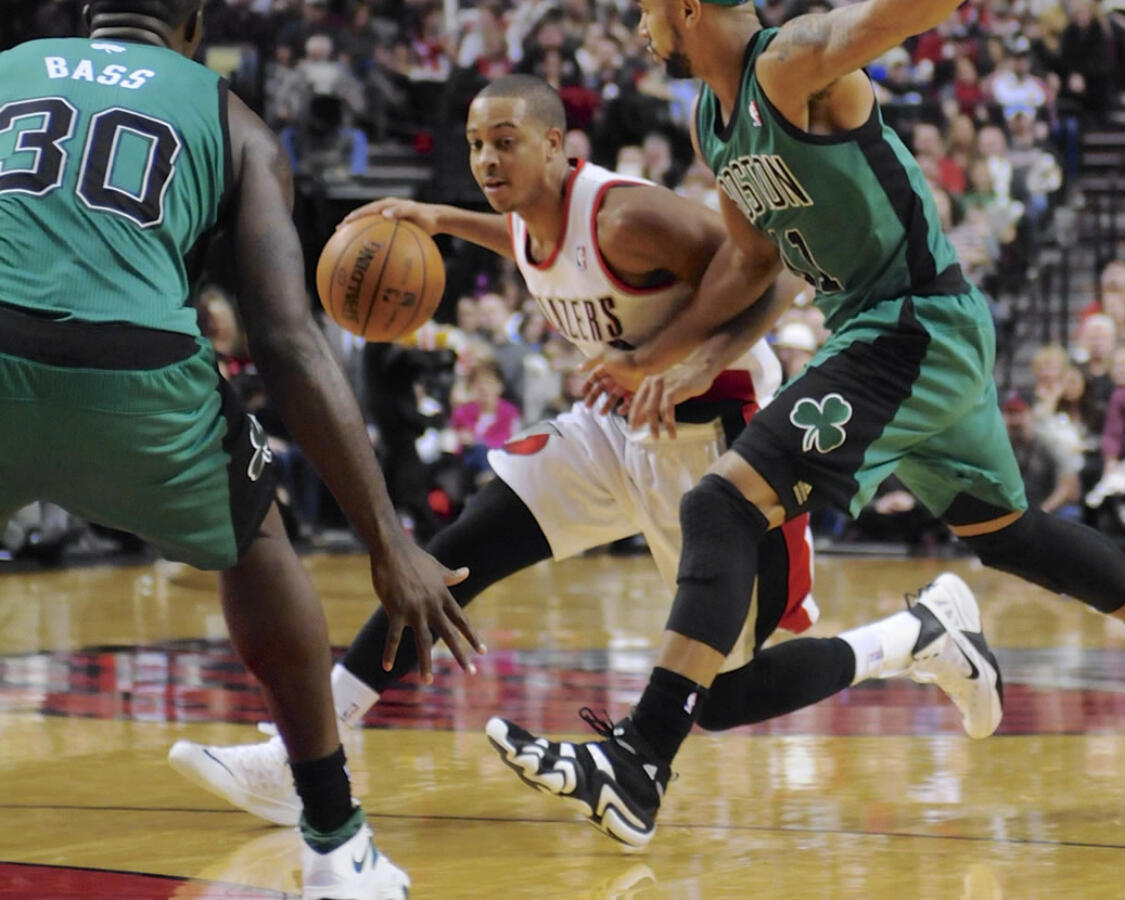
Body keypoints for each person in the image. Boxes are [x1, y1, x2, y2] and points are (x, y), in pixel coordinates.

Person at [485, 0, 1125, 849]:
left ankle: (639, 760)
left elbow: (874, 20)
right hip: (891, 332)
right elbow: (751, 265)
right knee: (1007, 533)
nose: (635, 26)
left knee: (719, 506)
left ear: (687, 10)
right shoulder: (717, 122)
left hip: (910, 323)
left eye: (643, 6)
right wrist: (674, 357)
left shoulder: (786, 63)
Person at [166, 74, 999, 827]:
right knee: (450, 561)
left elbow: (770, 269)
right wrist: (438, 220)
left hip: (720, 440)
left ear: (558, 147)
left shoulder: (627, 216)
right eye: (474, 144)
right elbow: (530, 250)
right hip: (617, 430)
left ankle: (921, 636)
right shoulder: (534, 221)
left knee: (722, 695)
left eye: (504, 141)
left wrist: (672, 361)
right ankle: (303, 757)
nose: (486, 157)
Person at [0, 0, 483, 898]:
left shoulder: (5, 70)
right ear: (192, 26)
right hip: (132, 371)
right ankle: (335, 838)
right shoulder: (232, 120)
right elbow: (287, 341)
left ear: (87, 10)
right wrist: (387, 541)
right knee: (256, 541)